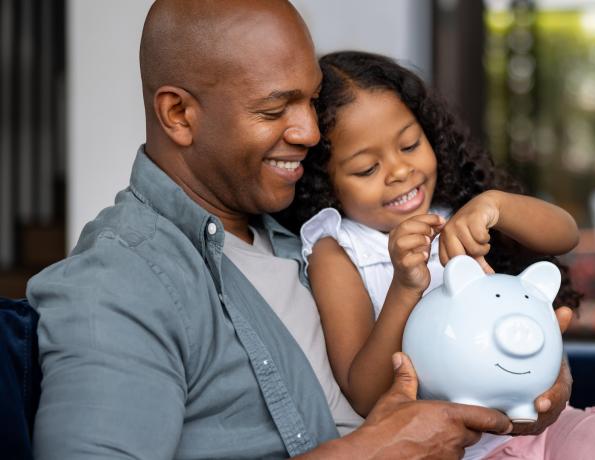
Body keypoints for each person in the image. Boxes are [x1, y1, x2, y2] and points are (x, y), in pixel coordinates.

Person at [25, 1, 514, 458]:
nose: (310, 132)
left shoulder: (304, 225)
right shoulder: (121, 283)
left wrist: (520, 381)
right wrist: (371, 451)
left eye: (311, 101)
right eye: (274, 110)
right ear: (178, 114)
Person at [278, 51, 595, 460]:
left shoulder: (456, 211)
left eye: (410, 145)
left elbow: (563, 236)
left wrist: (497, 205)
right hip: (452, 450)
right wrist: (405, 286)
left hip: (545, 428)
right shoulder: (338, 250)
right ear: (325, 182)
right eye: (367, 169)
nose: (399, 171)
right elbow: (365, 391)